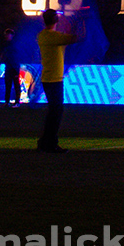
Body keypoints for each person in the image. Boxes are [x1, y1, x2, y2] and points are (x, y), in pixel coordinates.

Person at [35, 8, 83, 153]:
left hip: (48, 78)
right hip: (54, 79)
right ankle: (50, 143)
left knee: (53, 112)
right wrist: (81, 20)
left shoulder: (43, 35)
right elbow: (78, 37)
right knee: (56, 113)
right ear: (55, 20)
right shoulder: (54, 36)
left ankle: (45, 142)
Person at [0, 27, 22, 105]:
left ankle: (17, 102)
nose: (6, 36)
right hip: (8, 67)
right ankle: (7, 102)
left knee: (16, 85)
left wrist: (17, 67)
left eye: (8, 35)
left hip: (14, 67)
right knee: (8, 85)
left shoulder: (15, 44)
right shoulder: (5, 45)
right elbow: (3, 54)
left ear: (11, 35)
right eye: (6, 35)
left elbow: (19, 56)